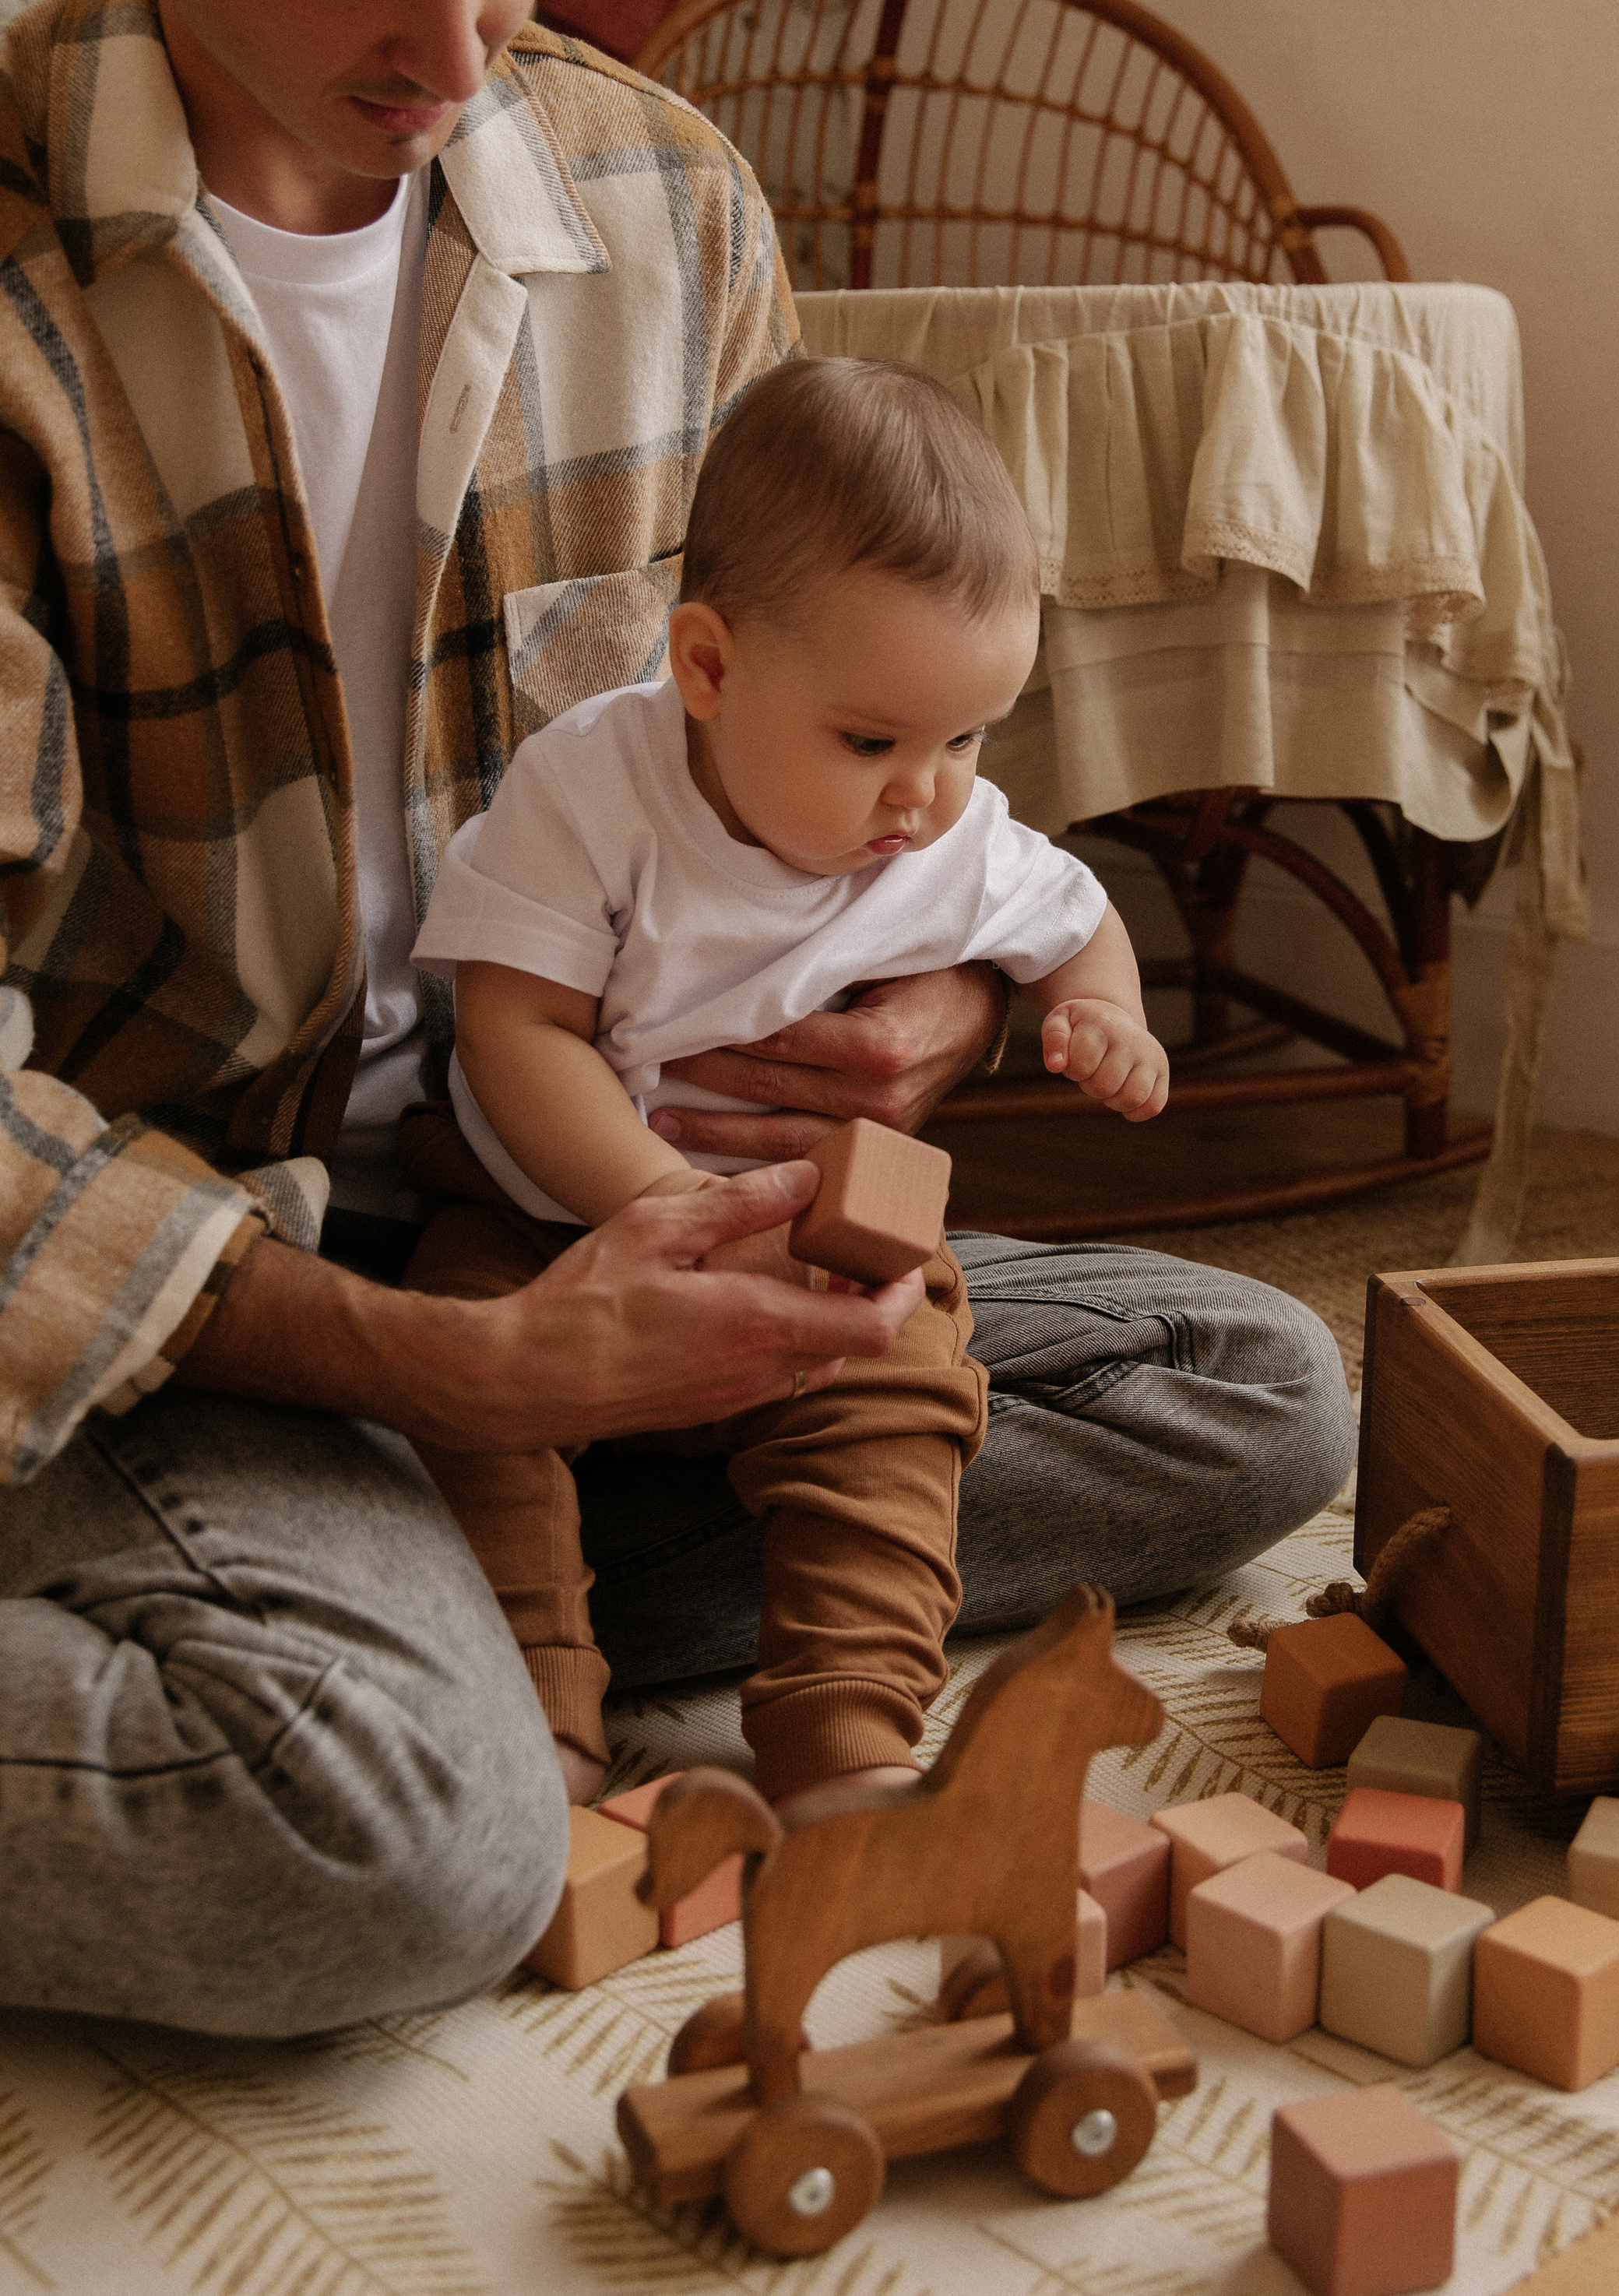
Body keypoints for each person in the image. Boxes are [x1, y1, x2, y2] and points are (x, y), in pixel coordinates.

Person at [0, 0, 1356, 2039]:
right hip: (191, 1269)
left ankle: (449, 1592)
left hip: (624, 1231)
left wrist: (950, 1006)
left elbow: (893, 761)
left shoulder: (664, 198)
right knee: (391, 1841)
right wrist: (457, 1357)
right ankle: (426, 1636)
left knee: (1255, 1387)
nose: (465, 54)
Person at [403, 357, 1170, 1805]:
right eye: (873, 740)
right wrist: (674, 1205)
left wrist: (1102, 1013)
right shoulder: (594, 790)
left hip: (814, 1253)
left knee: (914, 1374)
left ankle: (845, 1736)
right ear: (707, 666)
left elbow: (1074, 917)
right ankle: (541, 1738)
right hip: (546, 1229)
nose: (927, 794)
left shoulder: (945, 824)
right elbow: (515, 1034)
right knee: (465, 1390)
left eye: (968, 736)